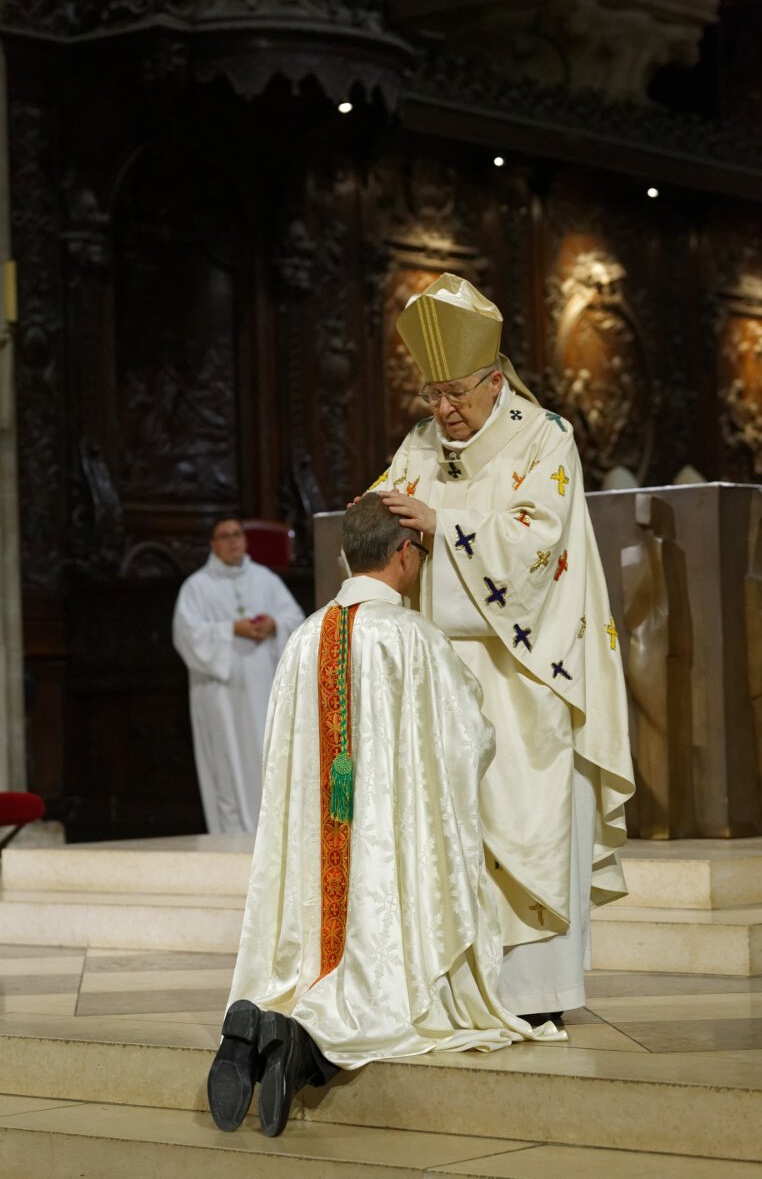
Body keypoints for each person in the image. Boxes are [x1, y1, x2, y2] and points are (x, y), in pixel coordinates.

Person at [206, 495, 550, 1139]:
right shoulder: (413, 638)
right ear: (404, 554)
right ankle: (308, 1044)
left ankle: (265, 1020)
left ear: (346, 556)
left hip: (318, 844)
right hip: (383, 851)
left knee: (313, 950)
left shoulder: (305, 637)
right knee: (385, 986)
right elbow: (467, 740)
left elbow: (277, 751)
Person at [375, 273, 636, 1025]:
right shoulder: (421, 441)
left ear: (494, 380)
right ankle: (456, 993)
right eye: (432, 395)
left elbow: (533, 545)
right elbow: (383, 513)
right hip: (443, 679)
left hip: (529, 673)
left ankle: (536, 998)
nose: (444, 411)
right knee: (454, 833)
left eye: (456, 393)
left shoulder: (543, 435)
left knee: (527, 825)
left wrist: (439, 521)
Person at [172, 517, 304, 833]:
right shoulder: (197, 586)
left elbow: (296, 618)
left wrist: (274, 624)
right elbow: (186, 634)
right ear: (213, 544)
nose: (233, 542)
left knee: (264, 755)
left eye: (237, 535)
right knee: (227, 761)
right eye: (225, 536)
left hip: (262, 686)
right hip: (221, 691)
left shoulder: (265, 579)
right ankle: (232, 833)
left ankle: (271, 830)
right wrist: (231, 628)